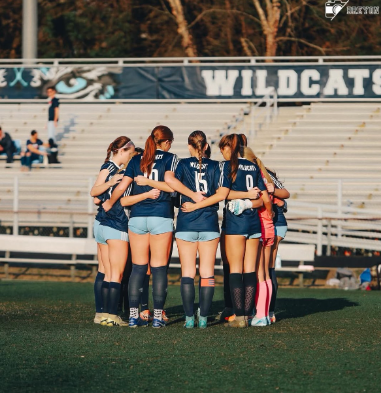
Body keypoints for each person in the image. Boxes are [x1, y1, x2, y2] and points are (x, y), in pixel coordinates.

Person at [103, 126, 183, 328]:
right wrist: (152, 183)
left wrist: (110, 203)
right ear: (166, 142)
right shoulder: (170, 158)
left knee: (138, 269)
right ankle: (156, 316)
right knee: (158, 269)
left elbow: (121, 189)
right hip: (160, 217)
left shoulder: (136, 160)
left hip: (137, 219)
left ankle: (133, 316)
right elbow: (172, 186)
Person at [165, 131, 230, 328]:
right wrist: (200, 203)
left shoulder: (182, 164)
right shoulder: (217, 166)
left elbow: (169, 180)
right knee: (207, 273)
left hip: (186, 223)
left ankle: (189, 317)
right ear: (206, 146)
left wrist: (192, 199)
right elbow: (221, 195)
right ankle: (203, 318)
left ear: (189, 146)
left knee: (187, 273)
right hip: (209, 224)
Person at [213, 134, 271, 328]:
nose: (222, 152)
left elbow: (223, 194)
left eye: (223, 148)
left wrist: (243, 198)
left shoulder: (227, 166)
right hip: (253, 222)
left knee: (235, 269)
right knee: (250, 270)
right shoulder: (254, 166)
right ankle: (248, 315)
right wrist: (248, 202)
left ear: (230, 148)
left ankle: (239, 316)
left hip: (235, 223)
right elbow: (263, 198)